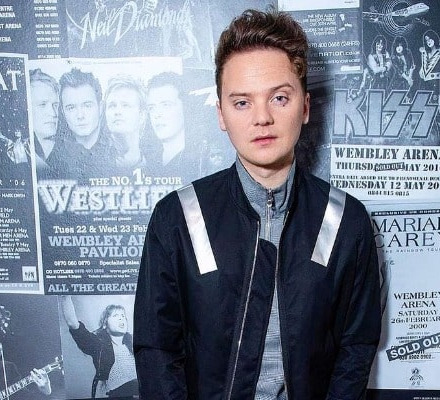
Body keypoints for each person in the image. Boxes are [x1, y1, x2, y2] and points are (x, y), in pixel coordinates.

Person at [134, 9, 382, 400]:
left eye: (279, 98)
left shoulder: (346, 219)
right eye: (242, 103)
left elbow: (357, 344)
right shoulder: (176, 217)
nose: (262, 117)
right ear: (221, 114)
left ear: (305, 106)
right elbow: (156, 350)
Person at [60, 296, 138, 399]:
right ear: (105, 324)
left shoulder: (135, 343)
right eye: (115, 315)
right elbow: (73, 324)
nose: (121, 318)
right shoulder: (98, 344)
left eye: (123, 316)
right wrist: (65, 296)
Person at [58, 67, 116, 178]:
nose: (80, 116)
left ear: (100, 108)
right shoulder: (56, 158)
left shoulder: (118, 152)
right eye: (71, 108)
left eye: (87, 105)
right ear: (63, 112)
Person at [146, 72, 203, 180]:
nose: (157, 114)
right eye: (152, 108)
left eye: (166, 105)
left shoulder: (200, 160)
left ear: (185, 108)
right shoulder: (146, 162)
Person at [104, 75, 149, 171]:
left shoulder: (157, 166)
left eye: (125, 105)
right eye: (112, 106)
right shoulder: (96, 164)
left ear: (142, 116)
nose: (117, 112)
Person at [30, 69, 62, 176]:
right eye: (42, 105)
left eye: (55, 105)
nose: (53, 113)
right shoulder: (17, 152)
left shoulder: (74, 151)